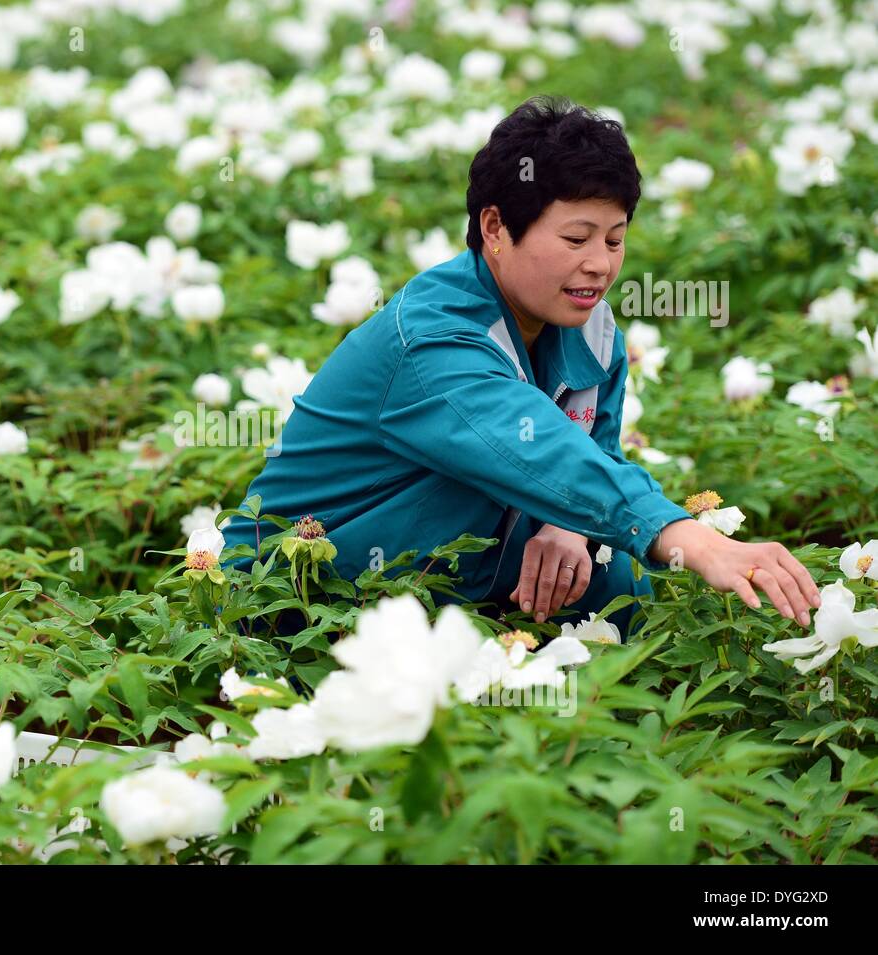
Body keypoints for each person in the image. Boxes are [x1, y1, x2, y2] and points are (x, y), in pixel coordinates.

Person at [222, 96, 820, 638]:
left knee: (614, 586)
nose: (598, 266)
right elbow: (528, 448)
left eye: (614, 241)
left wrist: (569, 524)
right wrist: (687, 537)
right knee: (611, 547)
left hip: (456, 576)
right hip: (303, 593)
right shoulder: (433, 339)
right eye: (576, 238)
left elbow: (595, 453)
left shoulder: (593, 328)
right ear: (494, 228)